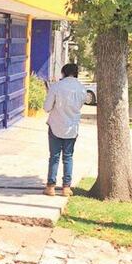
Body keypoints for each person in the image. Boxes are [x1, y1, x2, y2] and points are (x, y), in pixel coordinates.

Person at [43, 63, 87, 197]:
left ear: (63, 72)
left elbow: (47, 107)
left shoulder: (56, 87)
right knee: (68, 157)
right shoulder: (82, 89)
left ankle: (50, 187)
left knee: (54, 157)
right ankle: (66, 188)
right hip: (72, 127)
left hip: (56, 125)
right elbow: (79, 106)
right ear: (76, 73)